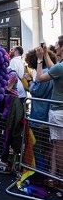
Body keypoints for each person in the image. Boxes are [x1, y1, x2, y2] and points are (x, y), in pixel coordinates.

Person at [34, 42, 63, 181]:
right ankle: (55, 178)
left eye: (57, 44)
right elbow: (53, 69)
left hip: (58, 113)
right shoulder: (60, 66)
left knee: (59, 147)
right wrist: (45, 53)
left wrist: (39, 59)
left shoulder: (61, 66)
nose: (55, 46)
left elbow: (40, 79)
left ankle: (60, 181)